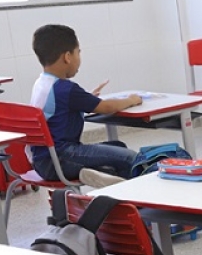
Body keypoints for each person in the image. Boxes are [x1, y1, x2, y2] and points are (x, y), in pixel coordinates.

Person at [28, 24, 142, 183]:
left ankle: (102, 176)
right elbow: (107, 107)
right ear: (67, 57)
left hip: (42, 162)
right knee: (131, 158)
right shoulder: (66, 89)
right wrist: (131, 100)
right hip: (62, 159)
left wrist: (87, 98)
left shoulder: (42, 83)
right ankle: (129, 198)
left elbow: (60, 110)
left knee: (118, 146)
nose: (79, 58)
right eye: (78, 52)